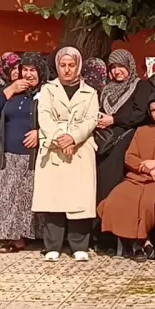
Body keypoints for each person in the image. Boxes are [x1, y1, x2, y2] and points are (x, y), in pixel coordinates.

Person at [95, 93, 155, 261]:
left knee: (147, 204)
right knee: (116, 198)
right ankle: (138, 242)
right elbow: (130, 157)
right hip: (137, 178)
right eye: (153, 110)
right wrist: (148, 170)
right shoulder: (142, 131)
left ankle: (139, 242)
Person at [32, 47, 100, 262]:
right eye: (63, 65)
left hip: (80, 148)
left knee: (79, 199)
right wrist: (60, 138)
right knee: (54, 198)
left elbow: (91, 119)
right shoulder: (47, 90)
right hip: (54, 147)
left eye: (71, 65)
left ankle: (79, 245)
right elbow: (44, 116)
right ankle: (53, 245)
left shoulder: (91, 92)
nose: (67, 69)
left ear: (78, 66)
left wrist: (73, 138)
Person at [0, 53, 48, 253]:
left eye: (33, 70)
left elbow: (57, 119)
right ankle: (8, 235)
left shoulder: (47, 93)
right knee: (8, 196)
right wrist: (11, 89)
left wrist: (41, 133)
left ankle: (25, 236)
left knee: (25, 197)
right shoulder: (13, 92)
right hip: (9, 155)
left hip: (33, 156)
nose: (28, 74)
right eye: (25, 70)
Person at [94, 49, 150, 210]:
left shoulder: (141, 86)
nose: (117, 71)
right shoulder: (107, 89)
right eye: (113, 67)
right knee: (102, 183)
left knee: (116, 183)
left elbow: (140, 113)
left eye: (121, 66)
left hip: (126, 142)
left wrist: (114, 119)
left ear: (129, 66)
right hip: (105, 142)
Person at [0, 52, 23, 190]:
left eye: (19, 68)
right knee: (2, 179)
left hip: (20, 142)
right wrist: (11, 90)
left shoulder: (25, 89)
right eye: (12, 68)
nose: (16, 72)